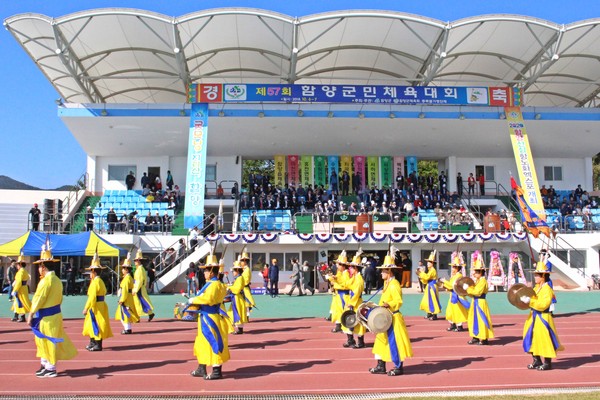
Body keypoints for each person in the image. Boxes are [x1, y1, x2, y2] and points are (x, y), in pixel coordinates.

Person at [27, 245, 78, 378]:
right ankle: (45, 364)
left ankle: (50, 367)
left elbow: (39, 298)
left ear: (43, 267)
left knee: (49, 340)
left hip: (47, 316)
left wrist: (31, 313)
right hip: (53, 314)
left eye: (39, 266)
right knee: (43, 340)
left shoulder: (46, 281)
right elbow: (59, 299)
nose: (38, 269)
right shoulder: (56, 280)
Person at [370, 248, 413, 376]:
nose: (381, 273)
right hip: (384, 317)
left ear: (389, 271)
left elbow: (398, 301)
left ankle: (398, 367)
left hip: (393, 318)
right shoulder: (387, 283)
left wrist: (389, 304)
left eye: (383, 271)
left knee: (395, 342)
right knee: (381, 341)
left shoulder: (394, 284)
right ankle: (380, 365)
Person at [187, 254, 230, 380]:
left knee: (213, 342)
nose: (204, 272)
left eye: (206, 270)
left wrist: (194, 299)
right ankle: (202, 367)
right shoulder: (214, 283)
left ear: (211, 272)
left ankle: (216, 371)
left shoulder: (214, 285)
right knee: (202, 343)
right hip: (206, 316)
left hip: (210, 318)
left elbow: (208, 299)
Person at [520, 254, 564, 370]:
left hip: (543, 317)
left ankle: (547, 363)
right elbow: (531, 297)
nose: (535, 277)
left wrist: (531, 302)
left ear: (543, 276)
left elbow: (543, 304)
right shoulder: (536, 288)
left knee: (544, 338)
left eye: (537, 275)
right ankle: (536, 360)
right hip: (533, 316)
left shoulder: (547, 289)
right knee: (531, 337)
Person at [82, 253, 113, 351]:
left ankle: (98, 344)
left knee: (97, 323)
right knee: (91, 324)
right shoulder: (99, 281)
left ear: (94, 272)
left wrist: (86, 308)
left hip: (96, 306)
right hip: (99, 305)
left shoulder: (96, 282)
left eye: (91, 271)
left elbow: (92, 297)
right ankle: (92, 342)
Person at [464, 251, 494, 345]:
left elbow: (477, 292)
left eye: (476, 272)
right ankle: (475, 337)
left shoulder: (483, 281)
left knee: (481, 320)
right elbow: (473, 292)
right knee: (473, 319)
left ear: (480, 272)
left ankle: (484, 338)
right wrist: (467, 290)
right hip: (475, 301)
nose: (474, 274)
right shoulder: (477, 281)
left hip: (480, 302)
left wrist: (468, 289)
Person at [342, 252, 367, 349]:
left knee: (359, 322)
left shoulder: (359, 279)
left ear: (356, 268)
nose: (349, 269)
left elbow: (356, 292)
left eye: (351, 267)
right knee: (348, 320)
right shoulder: (355, 277)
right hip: (351, 302)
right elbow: (347, 284)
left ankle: (361, 342)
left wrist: (351, 303)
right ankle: (350, 339)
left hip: (356, 303)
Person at [440, 252, 469, 332]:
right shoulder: (454, 276)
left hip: (457, 296)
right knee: (450, 310)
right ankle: (452, 324)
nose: (452, 269)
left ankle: (459, 326)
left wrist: (444, 281)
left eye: (454, 267)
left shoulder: (459, 276)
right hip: (452, 295)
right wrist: (445, 286)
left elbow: (452, 285)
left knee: (457, 310)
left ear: (458, 268)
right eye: (452, 267)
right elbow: (450, 286)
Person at [115, 255, 140, 334]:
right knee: (125, 313)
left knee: (124, 313)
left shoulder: (127, 278)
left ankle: (127, 329)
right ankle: (127, 328)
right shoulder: (129, 277)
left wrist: (122, 300)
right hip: (128, 297)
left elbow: (125, 290)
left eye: (123, 268)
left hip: (126, 297)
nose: (122, 270)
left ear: (126, 269)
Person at [326, 251, 350, 333]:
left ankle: (343, 326)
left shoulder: (346, 273)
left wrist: (335, 282)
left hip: (343, 294)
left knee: (342, 310)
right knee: (337, 310)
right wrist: (332, 278)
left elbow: (345, 285)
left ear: (343, 266)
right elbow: (337, 279)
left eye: (339, 264)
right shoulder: (340, 272)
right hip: (338, 294)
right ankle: (338, 325)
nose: (337, 265)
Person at [417, 250, 442, 320]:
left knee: (433, 300)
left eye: (429, 262)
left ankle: (434, 314)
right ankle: (429, 313)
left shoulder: (432, 270)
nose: (427, 263)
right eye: (427, 262)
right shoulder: (430, 270)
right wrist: (421, 275)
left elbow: (427, 277)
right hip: (429, 285)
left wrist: (420, 273)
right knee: (427, 300)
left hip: (432, 286)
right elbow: (426, 279)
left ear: (432, 263)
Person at [132, 250, 155, 322]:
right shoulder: (140, 269)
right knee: (142, 302)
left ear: (139, 261)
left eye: (136, 260)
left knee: (139, 302)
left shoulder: (140, 270)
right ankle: (149, 313)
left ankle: (137, 317)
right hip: (139, 287)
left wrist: (135, 289)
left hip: (138, 288)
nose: (135, 262)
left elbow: (139, 280)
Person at [227, 260, 248, 334]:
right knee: (234, 312)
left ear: (237, 271)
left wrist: (230, 288)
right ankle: (238, 328)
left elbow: (237, 289)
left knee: (236, 312)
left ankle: (238, 328)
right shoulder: (238, 278)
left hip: (237, 298)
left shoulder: (239, 278)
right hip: (237, 298)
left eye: (234, 271)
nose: (233, 272)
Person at [11, 254, 31, 322]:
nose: (16, 266)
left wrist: (15, 290)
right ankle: (16, 316)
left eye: (17, 264)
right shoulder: (22, 271)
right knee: (17, 302)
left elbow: (19, 282)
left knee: (21, 302)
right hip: (23, 288)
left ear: (20, 265)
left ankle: (22, 317)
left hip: (21, 289)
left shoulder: (21, 271)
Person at [239, 249, 256, 315]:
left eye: (242, 261)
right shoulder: (243, 269)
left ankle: (246, 317)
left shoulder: (247, 270)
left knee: (246, 303)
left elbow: (245, 281)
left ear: (245, 262)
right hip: (242, 288)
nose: (241, 262)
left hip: (244, 288)